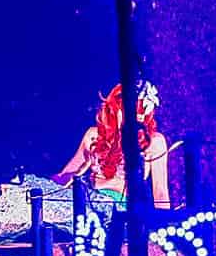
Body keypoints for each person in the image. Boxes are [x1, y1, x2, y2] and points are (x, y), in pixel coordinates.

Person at [52, 81, 173, 209]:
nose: (136, 120)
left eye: (142, 115)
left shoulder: (154, 142)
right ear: (115, 110)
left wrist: (163, 224)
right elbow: (66, 175)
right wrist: (46, 188)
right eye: (131, 114)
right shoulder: (94, 135)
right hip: (90, 201)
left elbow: (160, 193)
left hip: (122, 209)